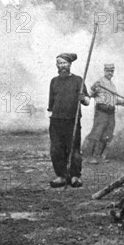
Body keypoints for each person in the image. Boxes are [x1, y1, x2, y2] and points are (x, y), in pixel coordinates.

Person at [47, 53, 90, 188]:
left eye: (65, 63)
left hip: (72, 120)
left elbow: (87, 101)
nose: (63, 66)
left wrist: (82, 98)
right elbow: (51, 104)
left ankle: (75, 176)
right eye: (60, 63)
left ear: (70, 64)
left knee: (74, 148)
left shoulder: (78, 80)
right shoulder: (54, 81)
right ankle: (61, 176)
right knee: (56, 150)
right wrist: (52, 118)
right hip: (56, 121)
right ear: (57, 66)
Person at [88, 63, 124, 163]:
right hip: (101, 110)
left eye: (111, 71)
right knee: (97, 133)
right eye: (108, 71)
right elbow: (90, 94)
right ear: (104, 71)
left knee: (107, 134)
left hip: (111, 112)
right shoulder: (99, 82)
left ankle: (99, 157)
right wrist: (93, 87)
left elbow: (113, 100)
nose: (110, 73)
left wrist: (121, 102)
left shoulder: (112, 85)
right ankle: (90, 157)